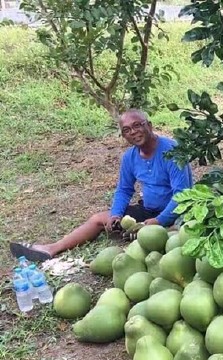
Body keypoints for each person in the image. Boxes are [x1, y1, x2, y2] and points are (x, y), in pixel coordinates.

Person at [10, 109, 193, 262]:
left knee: (177, 234)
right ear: (124, 136)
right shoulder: (129, 158)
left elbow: (182, 195)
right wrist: (116, 214)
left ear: (149, 125)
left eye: (138, 125)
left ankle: (160, 231)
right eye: (127, 130)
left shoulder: (172, 151)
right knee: (99, 219)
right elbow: (124, 189)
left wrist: (158, 221)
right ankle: (52, 248)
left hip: (178, 213)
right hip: (149, 210)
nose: (133, 132)